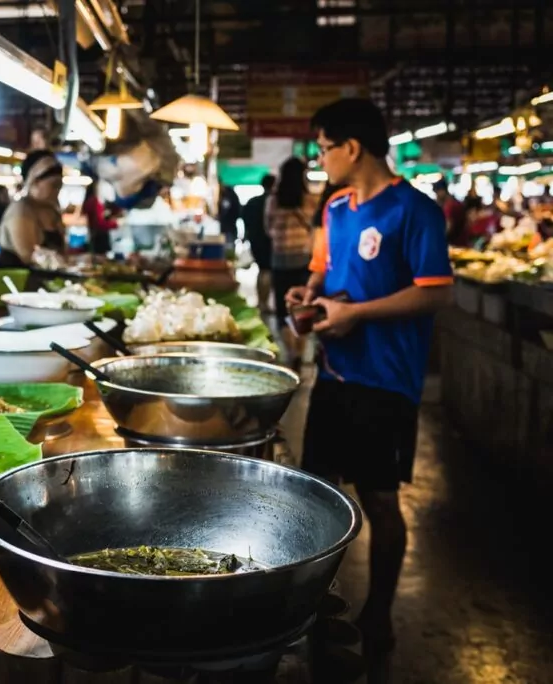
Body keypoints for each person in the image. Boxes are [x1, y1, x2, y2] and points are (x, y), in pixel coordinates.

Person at [286, 98, 453, 659]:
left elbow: (436, 291)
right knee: (318, 495)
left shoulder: (415, 210)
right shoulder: (335, 209)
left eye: (324, 150)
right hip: (334, 375)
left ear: (351, 148)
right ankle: (314, 605)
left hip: (387, 381)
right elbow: (321, 273)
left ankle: (378, 612)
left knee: (380, 501)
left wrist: (357, 314)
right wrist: (307, 301)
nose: (321, 161)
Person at [267, 158, 319, 368]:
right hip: (303, 261)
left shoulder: (273, 200)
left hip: (280, 261)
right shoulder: (310, 200)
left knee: (282, 308)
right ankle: (299, 349)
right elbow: (316, 231)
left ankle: (290, 351)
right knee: (303, 308)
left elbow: (267, 228)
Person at [0, 150, 65, 268]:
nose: (57, 191)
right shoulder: (20, 210)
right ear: (35, 181)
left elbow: (62, 253)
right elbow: (28, 256)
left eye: (60, 186)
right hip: (20, 283)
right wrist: (69, 262)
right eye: (53, 185)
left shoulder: (52, 211)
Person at [242, 174, 275, 313]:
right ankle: (264, 303)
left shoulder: (252, 201)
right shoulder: (273, 202)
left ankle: (261, 302)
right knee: (267, 272)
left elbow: (245, 219)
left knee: (261, 271)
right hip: (268, 242)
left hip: (255, 240)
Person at [81, 175, 118, 255]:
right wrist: (115, 224)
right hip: (99, 238)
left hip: (93, 236)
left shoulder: (89, 201)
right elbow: (99, 223)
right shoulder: (94, 202)